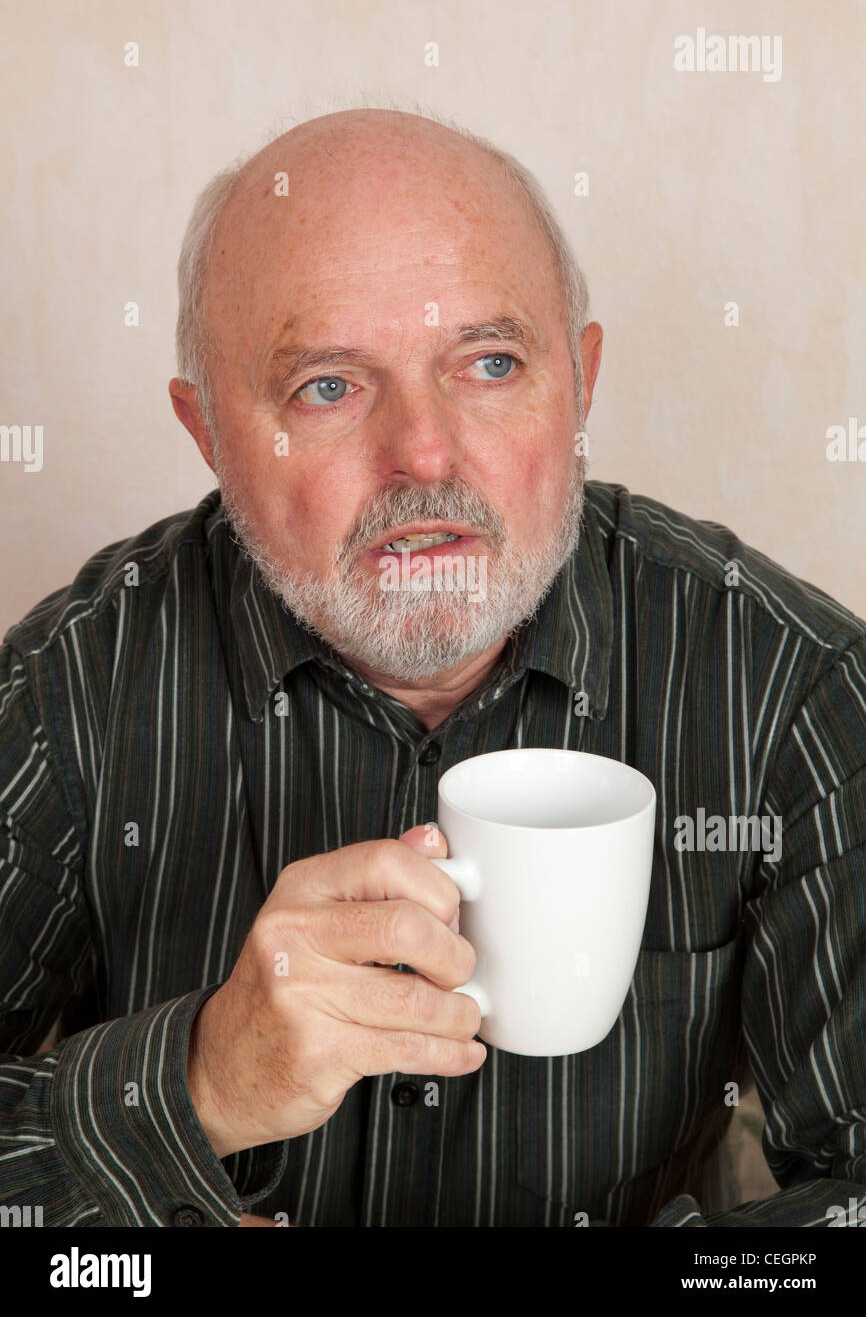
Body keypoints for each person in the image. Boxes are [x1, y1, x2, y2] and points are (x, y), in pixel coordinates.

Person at [1, 107, 864, 1228]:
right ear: (208, 430)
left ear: (580, 382)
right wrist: (192, 1088)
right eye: (327, 385)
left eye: (489, 362)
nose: (422, 452)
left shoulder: (793, 691)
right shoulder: (67, 692)